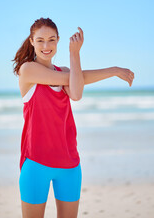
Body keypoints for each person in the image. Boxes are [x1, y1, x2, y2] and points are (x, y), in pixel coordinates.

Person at [12, 17, 134, 218]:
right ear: (32, 41)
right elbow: (75, 80)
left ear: (58, 40)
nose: (46, 45)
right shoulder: (28, 69)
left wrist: (75, 54)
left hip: (69, 163)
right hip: (36, 163)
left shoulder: (67, 71)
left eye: (52, 39)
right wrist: (112, 70)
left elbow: (76, 93)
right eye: (40, 40)